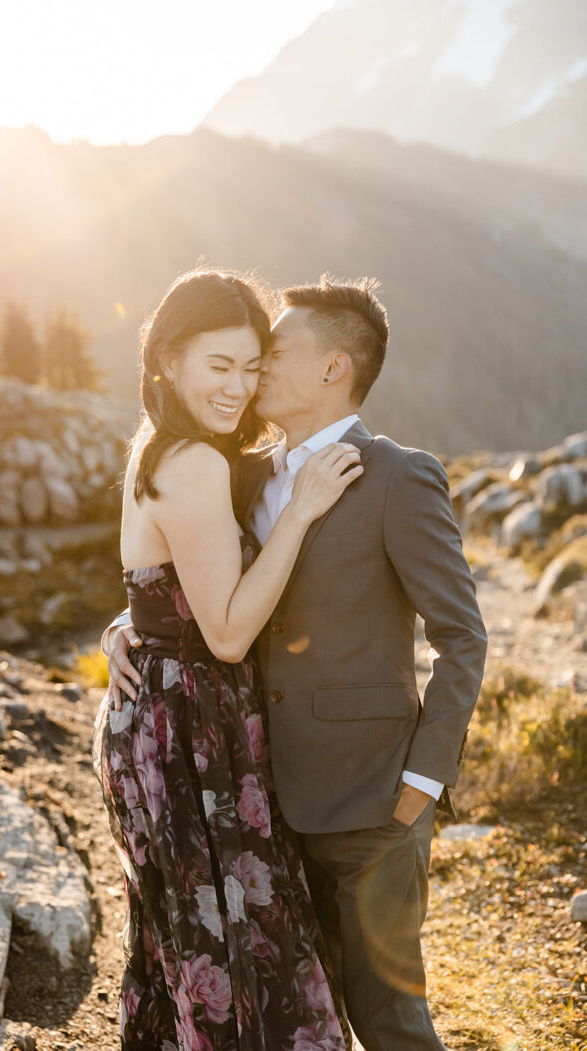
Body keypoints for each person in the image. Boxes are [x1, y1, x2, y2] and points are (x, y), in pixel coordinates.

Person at [105, 273, 488, 1051]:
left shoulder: (396, 476)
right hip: (255, 792)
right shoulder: (242, 469)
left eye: (271, 354)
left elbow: (462, 635)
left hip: (369, 798)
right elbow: (189, 575)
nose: (255, 372)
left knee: (384, 1015)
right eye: (237, 362)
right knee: (297, 1005)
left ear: (331, 369)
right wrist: (129, 627)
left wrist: (422, 782)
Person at [93, 267, 364, 1050]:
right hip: (186, 735)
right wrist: (302, 510)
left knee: (190, 942)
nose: (239, 388)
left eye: (252, 368)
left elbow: (160, 586)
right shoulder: (197, 463)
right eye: (220, 366)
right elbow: (226, 633)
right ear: (168, 358)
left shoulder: (165, 446)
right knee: (231, 939)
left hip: (168, 721)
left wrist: (125, 626)